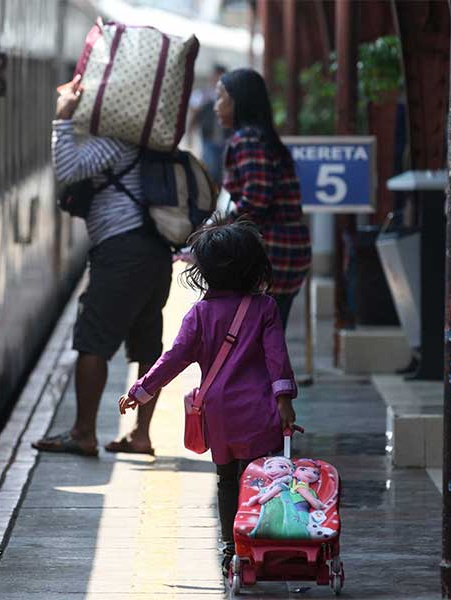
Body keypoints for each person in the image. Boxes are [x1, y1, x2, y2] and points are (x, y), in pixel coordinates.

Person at [117, 219, 297, 574]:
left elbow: (174, 358)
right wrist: (284, 401)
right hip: (260, 411)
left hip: (218, 414)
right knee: (261, 478)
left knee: (226, 479)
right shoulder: (265, 309)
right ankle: (261, 539)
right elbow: (278, 359)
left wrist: (142, 390)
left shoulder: (199, 314)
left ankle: (232, 543)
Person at [32, 74, 173, 457]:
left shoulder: (115, 143)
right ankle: (140, 435)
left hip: (121, 252)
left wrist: (63, 118)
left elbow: (66, 170)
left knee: (93, 341)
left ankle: (83, 432)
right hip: (157, 253)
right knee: (147, 344)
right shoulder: (153, 142)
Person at [215, 68, 311, 329]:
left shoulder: (247, 139)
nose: (216, 106)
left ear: (239, 101)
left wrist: (216, 230)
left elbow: (256, 199)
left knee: (253, 344)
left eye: (221, 97)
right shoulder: (264, 138)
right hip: (289, 251)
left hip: (269, 253)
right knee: (271, 338)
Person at [189, 64, 229, 182]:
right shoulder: (202, 94)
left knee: (223, 172)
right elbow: (193, 115)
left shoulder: (229, 96)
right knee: (210, 170)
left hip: (225, 139)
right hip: (208, 138)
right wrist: (190, 135)